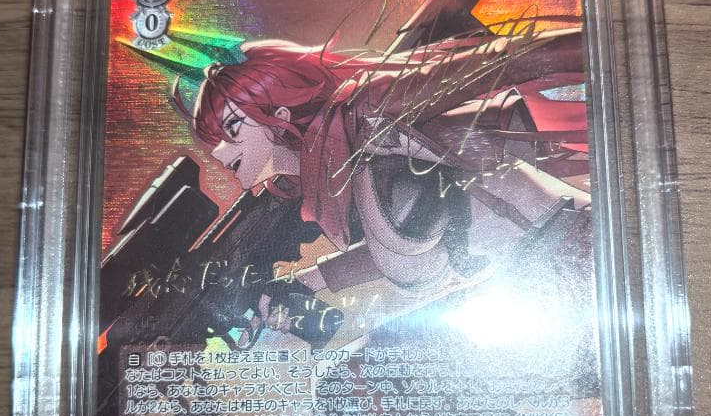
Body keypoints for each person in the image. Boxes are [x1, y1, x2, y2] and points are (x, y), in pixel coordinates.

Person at [183, 28, 591, 328]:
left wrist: (599, 48)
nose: (220, 152)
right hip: (529, 268)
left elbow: (501, 62)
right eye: (215, 140)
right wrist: (306, 281)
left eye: (232, 130)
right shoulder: (331, 167)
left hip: (567, 242)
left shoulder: (365, 112)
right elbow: (407, 242)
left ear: (281, 114)